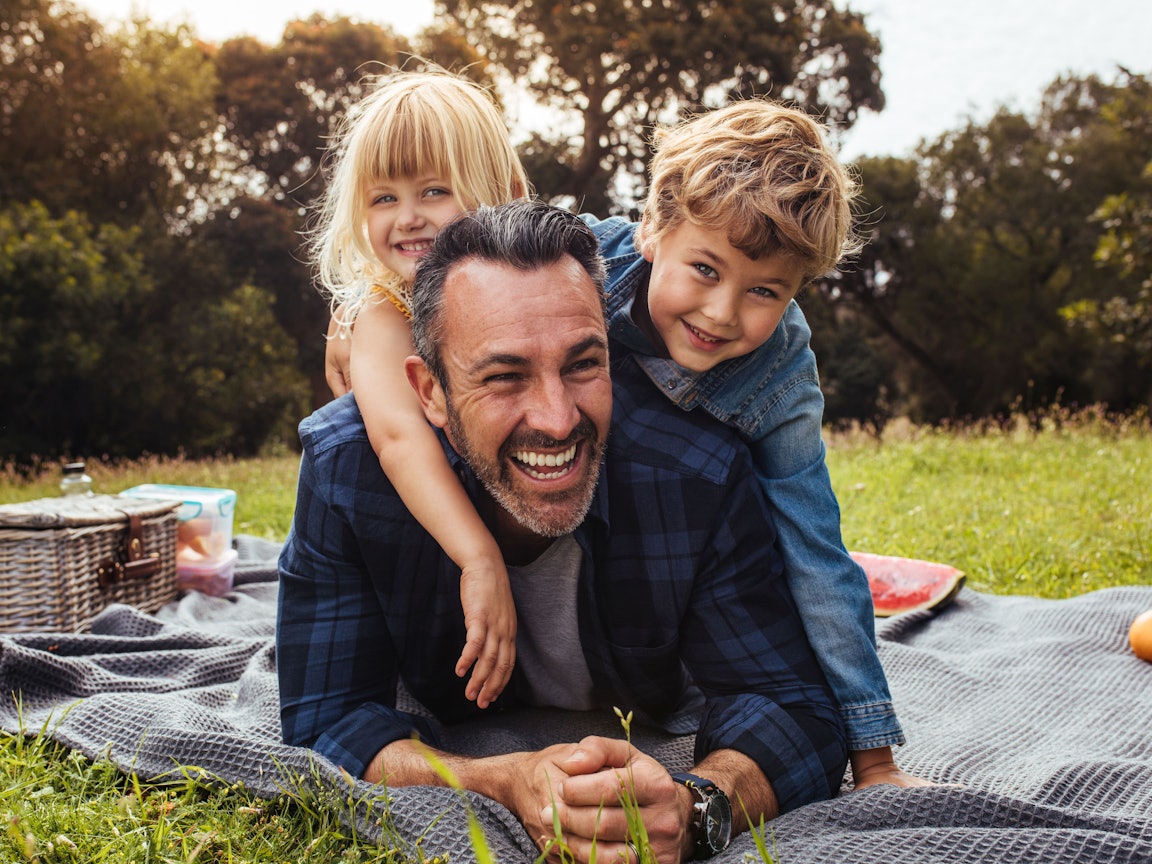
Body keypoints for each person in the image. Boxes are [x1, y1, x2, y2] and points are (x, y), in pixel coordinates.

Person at [324, 96, 926, 789]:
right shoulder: (582, 261)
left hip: (673, 552)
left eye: (764, 291)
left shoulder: (781, 378)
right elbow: (478, 264)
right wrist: (356, 317)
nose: (721, 312)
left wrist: (873, 757)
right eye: (705, 270)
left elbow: (816, 553)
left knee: (799, 555)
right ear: (651, 230)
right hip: (541, 518)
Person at [278, 200, 848, 864]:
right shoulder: (348, 470)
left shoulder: (694, 472)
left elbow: (798, 712)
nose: (556, 419)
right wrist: (499, 780)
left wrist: (694, 807)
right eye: (504, 377)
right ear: (429, 391)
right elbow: (327, 723)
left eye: (582, 365)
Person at [308, 67, 530, 708]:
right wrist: (478, 558)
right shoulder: (384, 311)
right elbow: (398, 438)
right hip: (430, 548)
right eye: (383, 198)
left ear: (506, 194)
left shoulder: (534, 280)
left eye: (434, 190)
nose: (407, 218)